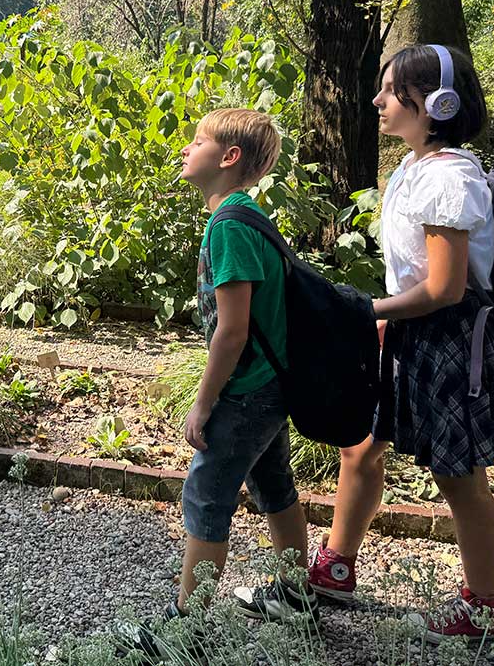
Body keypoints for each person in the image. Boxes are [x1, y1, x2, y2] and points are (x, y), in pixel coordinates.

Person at [308, 44, 494, 643]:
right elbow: (414, 279)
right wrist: (383, 319)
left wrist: (363, 311)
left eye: (391, 91)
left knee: (460, 477)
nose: (378, 101)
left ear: (436, 104)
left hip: (450, 337)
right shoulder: (412, 168)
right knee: (360, 444)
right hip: (409, 329)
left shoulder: (451, 176)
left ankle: (481, 608)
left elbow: (445, 287)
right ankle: (335, 566)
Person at [175, 108, 317, 623]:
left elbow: (232, 331)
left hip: (246, 389)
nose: (186, 150)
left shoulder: (228, 227)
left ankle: (189, 626)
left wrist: (203, 402)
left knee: (206, 495)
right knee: (273, 483)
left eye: (197, 141)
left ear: (229, 158)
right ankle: (297, 596)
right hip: (271, 383)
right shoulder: (248, 217)